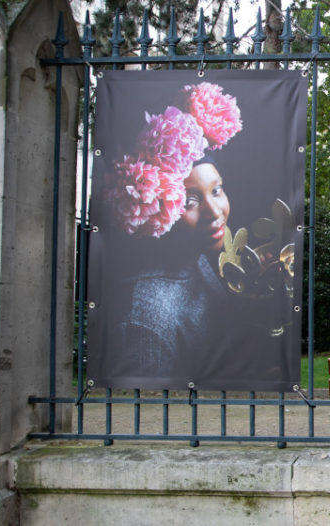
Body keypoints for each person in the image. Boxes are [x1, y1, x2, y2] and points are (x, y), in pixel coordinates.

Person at [90, 82, 290, 388]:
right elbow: (145, 413)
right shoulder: (148, 323)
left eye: (217, 190)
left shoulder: (198, 260)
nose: (215, 212)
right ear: (155, 205)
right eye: (190, 201)